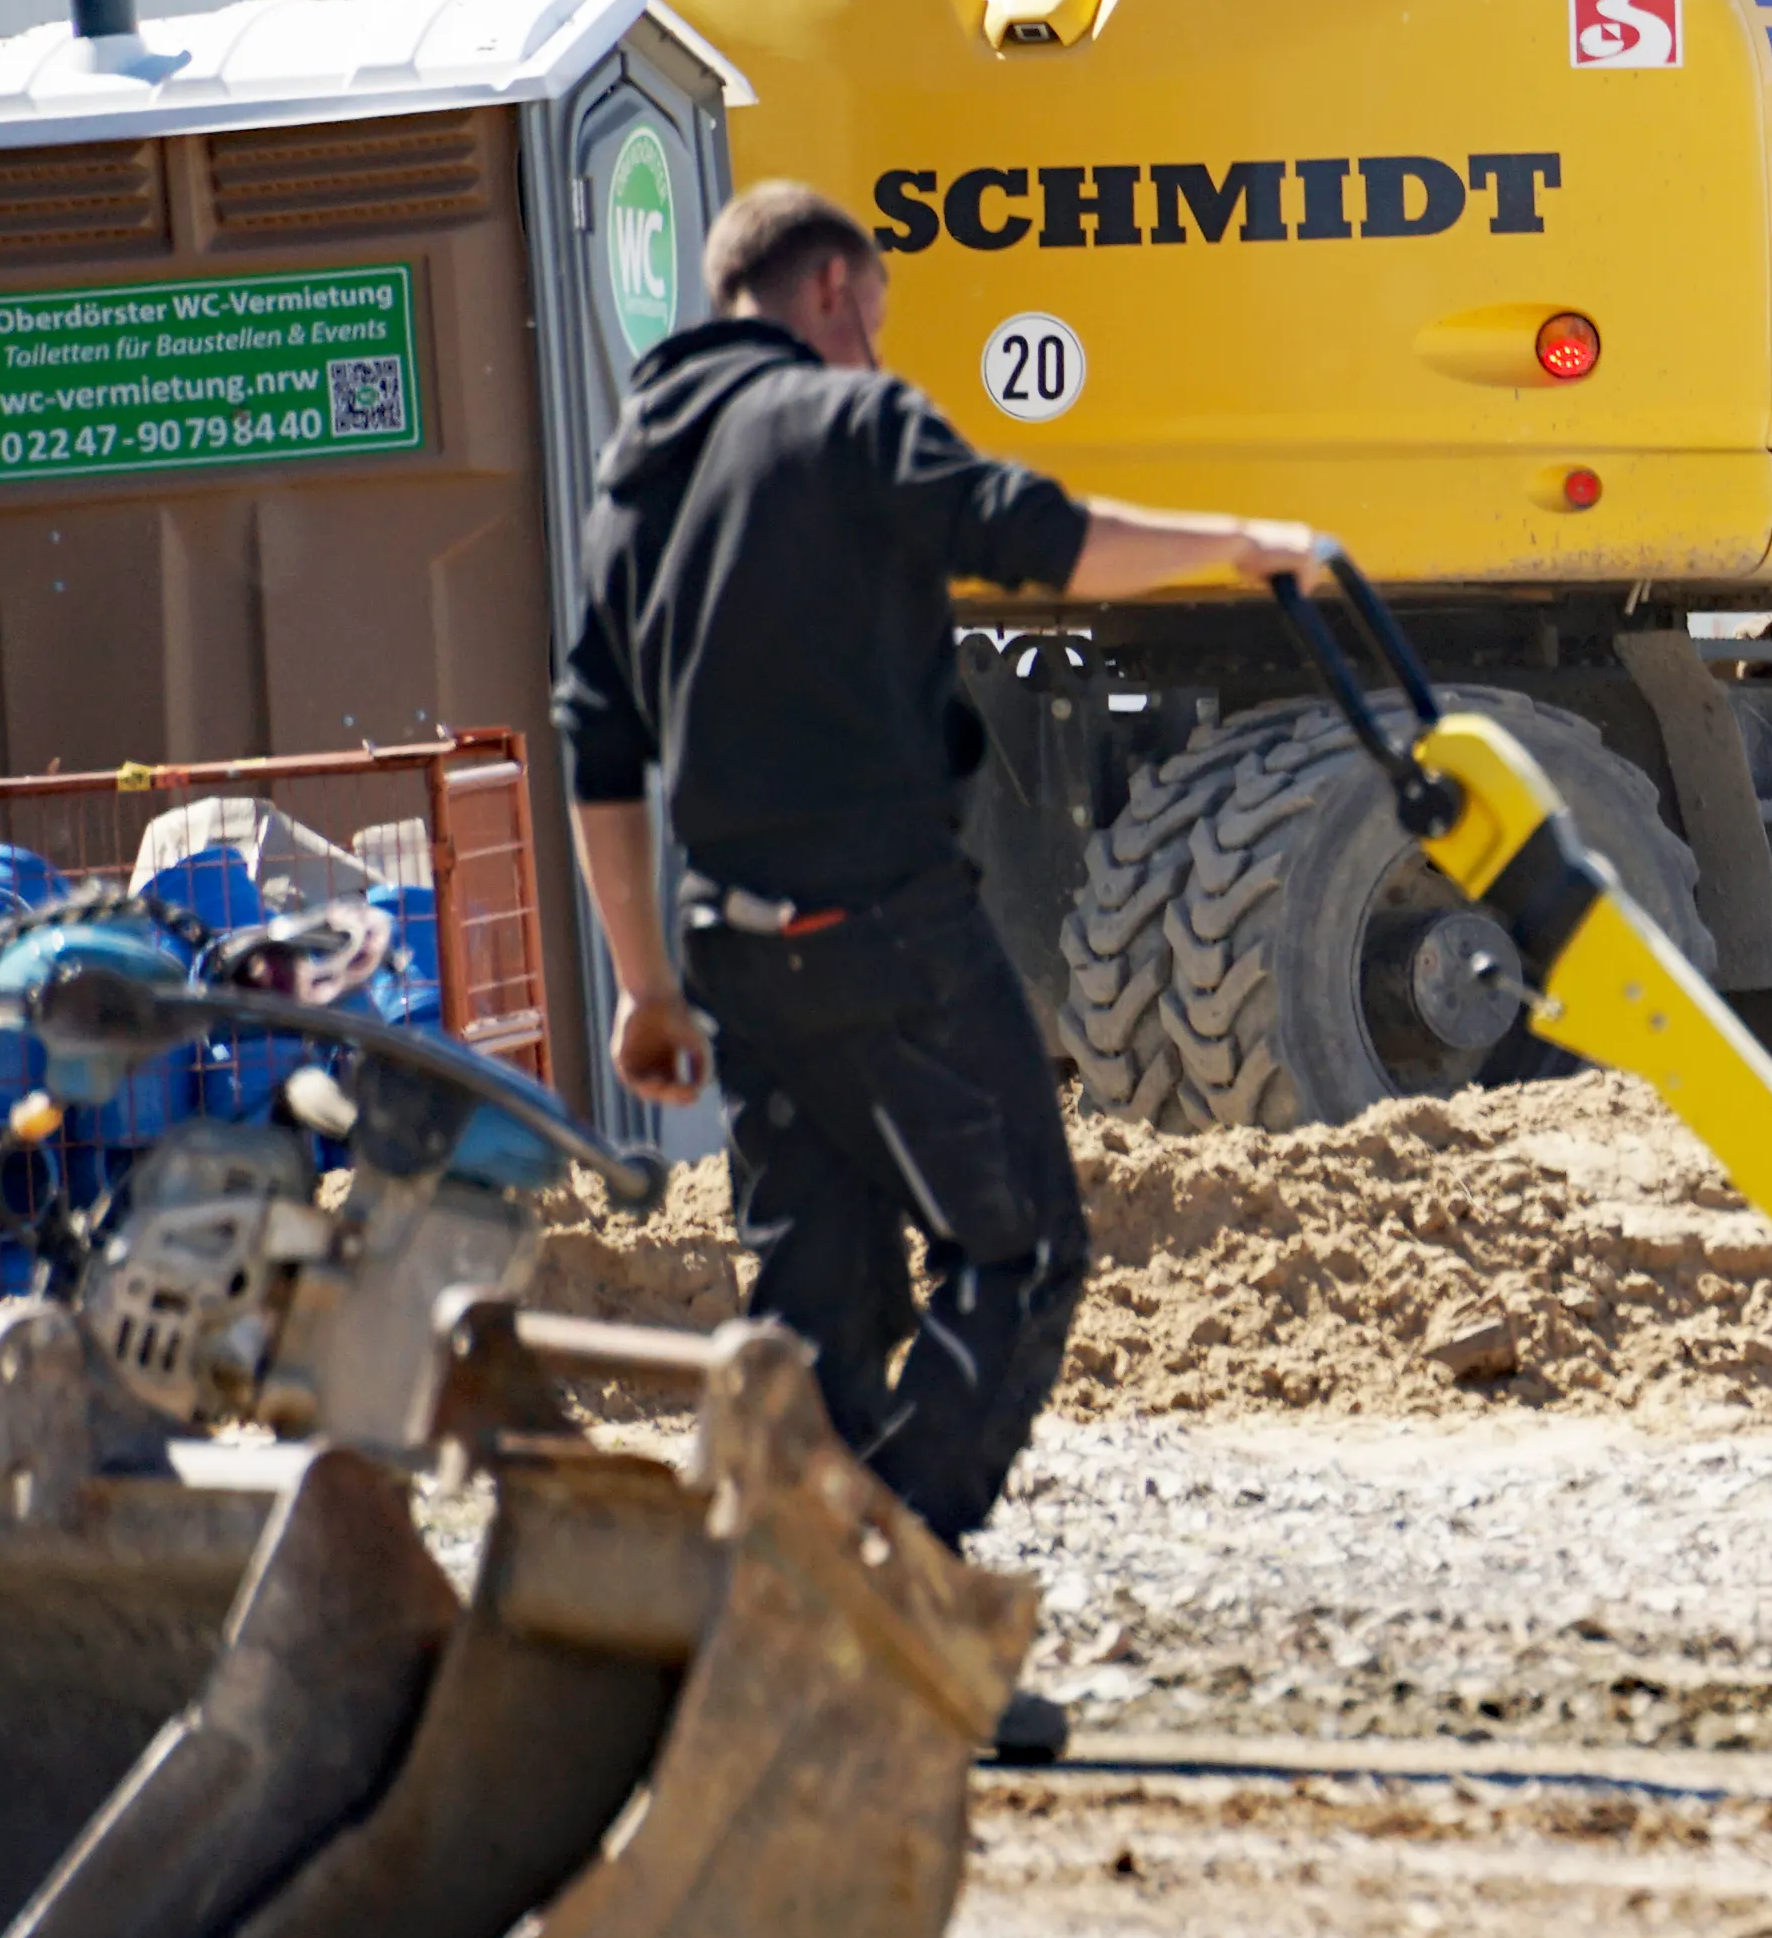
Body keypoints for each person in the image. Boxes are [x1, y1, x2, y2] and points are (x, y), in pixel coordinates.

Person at [556, 180, 1327, 1632]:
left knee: (821, 1307)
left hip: (732, 948)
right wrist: (1238, 541)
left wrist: (643, 985)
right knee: (1021, 1252)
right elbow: (1045, 538)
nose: (876, 344)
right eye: (877, 316)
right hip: (886, 923)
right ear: (833, 289)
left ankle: (797, 1606)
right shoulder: (850, 422)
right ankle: (884, 1586)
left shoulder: (638, 478)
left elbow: (596, 744)